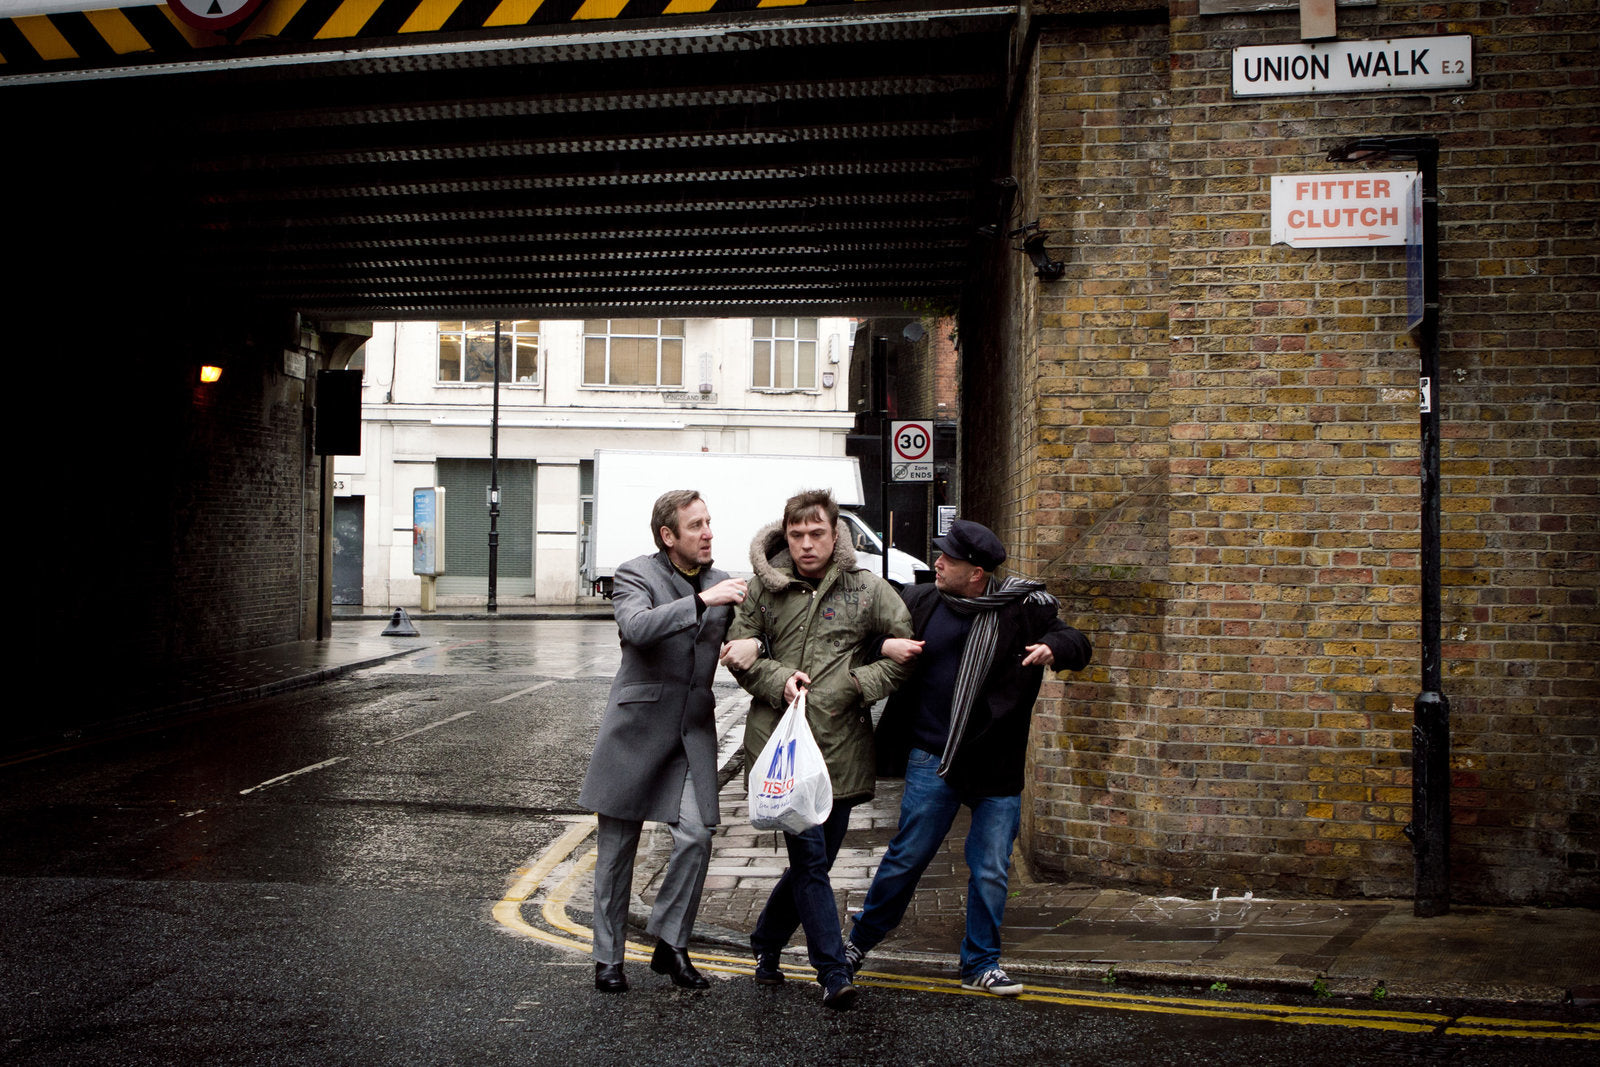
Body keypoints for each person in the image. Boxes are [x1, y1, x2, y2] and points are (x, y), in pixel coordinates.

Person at [844, 519, 1092, 996]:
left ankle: (981, 962)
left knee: (991, 869)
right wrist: (885, 644)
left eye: (948, 559)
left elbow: (1078, 644)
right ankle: (858, 944)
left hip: (996, 762)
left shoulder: (1022, 610)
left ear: (976, 573)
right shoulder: (921, 601)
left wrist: (1052, 647)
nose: (937, 563)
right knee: (906, 858)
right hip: (933, 757)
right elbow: (865, 635)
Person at [720, 490, 912, 1010]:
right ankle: (832, 970)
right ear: (786, 536)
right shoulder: (763, 589)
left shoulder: (867, 589)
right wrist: (779, 679)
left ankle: (766, 940)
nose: (806, 544)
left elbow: (904, 655)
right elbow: (741, 658)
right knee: (808, 861)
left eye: (816, 534)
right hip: (781, 750)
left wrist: (855, 684)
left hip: (841, 749)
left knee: (818, 863)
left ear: (834, 534)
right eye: (796, 535)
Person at [577, 490, 749, 993]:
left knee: (697, 836)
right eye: (696, 525)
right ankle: (608, 958)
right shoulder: (635, 575)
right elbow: (637, 628)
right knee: (616, 852)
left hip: (691, 733)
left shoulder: (723, 582)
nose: (708, 533)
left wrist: (751, 644)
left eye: (709, 522)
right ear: (668, 535)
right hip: (636, 731)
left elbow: (752, 634)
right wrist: (700, 602)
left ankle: (670, 942)